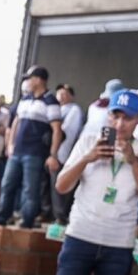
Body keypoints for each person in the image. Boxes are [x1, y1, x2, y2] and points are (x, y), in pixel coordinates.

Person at [53, 90, 138, 275]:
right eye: (115, 116)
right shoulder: (88, 142)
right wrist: (87, 158)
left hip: (119, 244)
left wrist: (133, 162)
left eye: (127, 118)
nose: (119, 125)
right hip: (80, 236)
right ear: (108, 116)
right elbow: (62, 186)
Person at [0, 66, 62, 229]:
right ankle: (2, 218)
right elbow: (16, 122)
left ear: (39, 80)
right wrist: (10, 144)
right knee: (7, 184)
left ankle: (27, 221)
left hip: (36, 153)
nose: (27, 82)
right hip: (17, 151)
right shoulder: (25, 99)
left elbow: (57, 130)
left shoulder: (50, 101)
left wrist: (52, 154)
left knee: (30, 190)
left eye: (30, 78)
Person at [52, 84, 84, 224]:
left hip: (63, 151)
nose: (61, 96)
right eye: (59, 93)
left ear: (71, 96)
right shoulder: (56, 109)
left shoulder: (74, 110)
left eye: (65, 94)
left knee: (61, 186)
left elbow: (67, 132)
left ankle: (60, 216)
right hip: (51, 152)